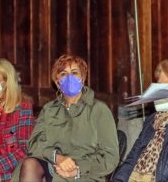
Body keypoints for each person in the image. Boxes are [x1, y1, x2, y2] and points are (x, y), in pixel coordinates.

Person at [14, 54, 119, 182]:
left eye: (74, 73)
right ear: (57, 83)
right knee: (29, 165)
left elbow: (110, 157)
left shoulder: (99, 110)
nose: (70, 78)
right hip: (52, 164)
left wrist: (77, 168)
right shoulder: (49, 109)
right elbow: (33, 144)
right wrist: (56, 157)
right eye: (64, 73)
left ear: (83, 78)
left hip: (85, 172)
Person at [111, 59, 168, 182]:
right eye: (158, 86)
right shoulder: (152, 120)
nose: (160, 93)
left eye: (165, 87)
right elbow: (133, 155)